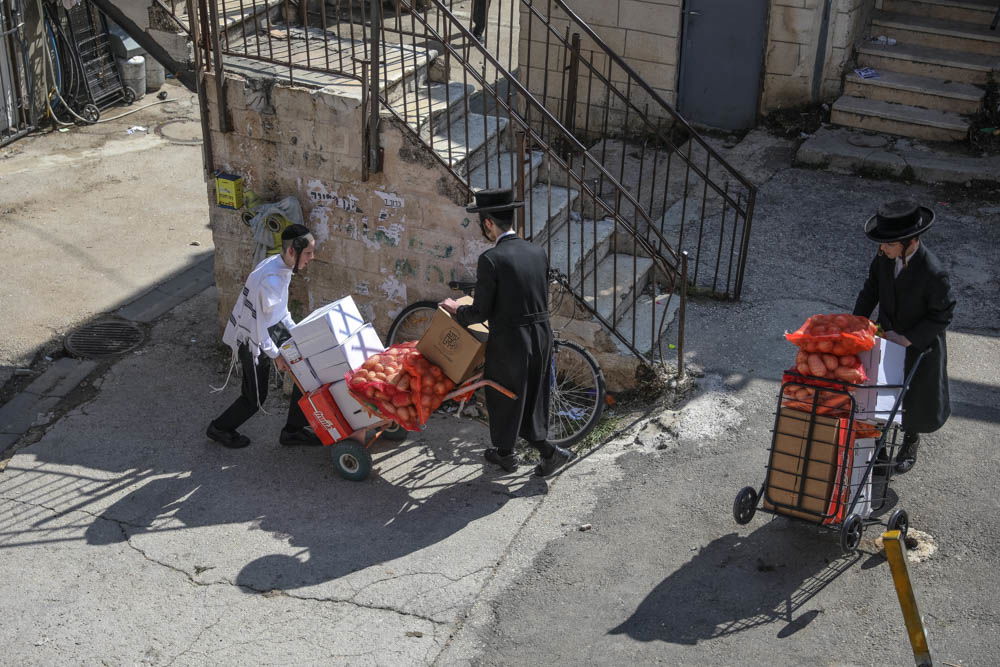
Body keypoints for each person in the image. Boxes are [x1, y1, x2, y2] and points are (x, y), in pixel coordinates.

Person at [440, 188, 575, 477]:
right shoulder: (537, 252)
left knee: (504, 395)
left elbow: (480, 313)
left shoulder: (491, 260)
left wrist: (455, 310)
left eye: (482, 224)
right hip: (541, 335)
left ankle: (541, 451)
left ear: (488, 223)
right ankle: (510, 453)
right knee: (533, 395)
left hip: (511, 340)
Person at [853, 200, 956, 473]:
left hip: (918, 343)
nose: (881, 248)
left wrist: (908, 339)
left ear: (909, 242)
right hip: (886, 335)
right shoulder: (883, 258)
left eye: (888, 244)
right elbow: (871, 288)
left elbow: (942, 314)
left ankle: (910, 439)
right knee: (877, 393)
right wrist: (856, 322)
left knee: (913, 399)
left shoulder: (933, 273)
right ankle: (880, 447)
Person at [206, 224, 323, 449]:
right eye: (308, 253)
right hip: (252, 341)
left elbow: (280, 312)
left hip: (270, 330)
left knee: (304, 369)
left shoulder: (279, 267)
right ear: (292, 252)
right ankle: (219, 428)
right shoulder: (271, 281)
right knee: (254, 398)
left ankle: (293, 431)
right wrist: (276, 355)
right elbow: (259, 327)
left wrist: (297, 333)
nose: (312, 257)